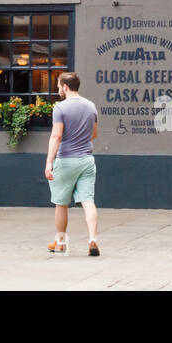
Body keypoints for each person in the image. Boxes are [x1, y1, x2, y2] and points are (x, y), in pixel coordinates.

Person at [44, 72, 100, 256]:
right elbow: (94, 134)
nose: (58, 89)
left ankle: (60, 243)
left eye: (59, 86)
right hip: (87, 160)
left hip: (66, 160)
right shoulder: (91, 106)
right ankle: (93, 239)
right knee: (88, 200)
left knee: (61, 203)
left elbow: (56, 136)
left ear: (65, 87)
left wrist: (49, 162)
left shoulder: (60, 108)